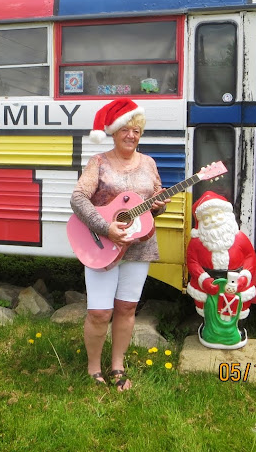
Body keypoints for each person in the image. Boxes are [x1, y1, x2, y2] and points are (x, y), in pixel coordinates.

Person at [70, 98, 170, 391]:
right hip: (102, 246)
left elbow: (151, 208)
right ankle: (92, 368)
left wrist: (160, 205)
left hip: (139, 248)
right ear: (114, 132)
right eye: (125, 129)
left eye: (136, 130)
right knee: (99, 312)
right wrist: (106, 227)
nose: (131, 135)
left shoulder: (149, 164)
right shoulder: (98, 162)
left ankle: (117, 366)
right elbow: (78, 198)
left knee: (127, 309)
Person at [186, 191, 256, 349]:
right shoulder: (197, 242)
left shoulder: (239, 238)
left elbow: (250, 257)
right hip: (208, 280)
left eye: (217, 214)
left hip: (235, 280)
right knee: (205, 306)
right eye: (207, 217)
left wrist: (244, 278)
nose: (214, 220)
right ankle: (207, 328)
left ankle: (238, 328)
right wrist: (203, 280)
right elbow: (192, 261)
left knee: (239, 305)